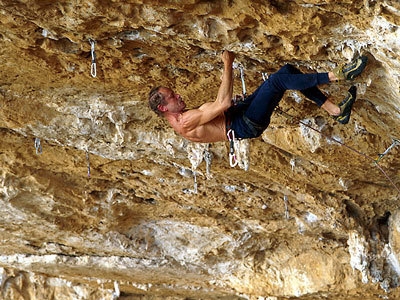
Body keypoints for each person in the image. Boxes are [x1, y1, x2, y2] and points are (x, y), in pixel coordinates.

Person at [148, 51, 367, 143]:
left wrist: (233, 104)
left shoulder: (183, 117)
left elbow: (222, 108)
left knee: (286, 71)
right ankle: (337, 75)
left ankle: (335, 111)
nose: (178, 95)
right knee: (277, 82)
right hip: (244, 124)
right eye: (172, 97)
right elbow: (221, 103)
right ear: (164, 108)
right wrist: (227, 63)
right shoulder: (185, 122)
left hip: (238, 115)